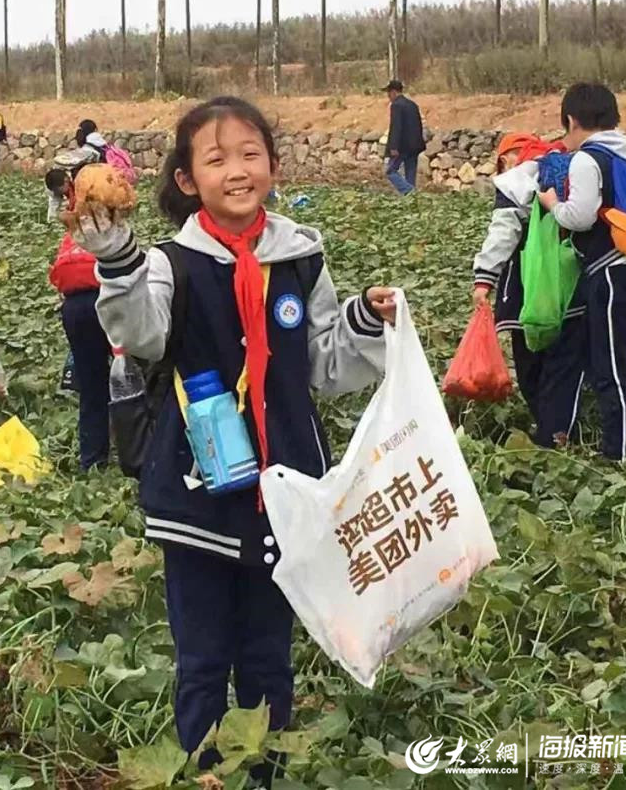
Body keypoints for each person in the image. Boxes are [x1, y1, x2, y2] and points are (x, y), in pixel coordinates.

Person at [78, 95, 397, 786]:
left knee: (266, 657)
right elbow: (142, 335)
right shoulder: (171, 263)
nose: (237, 170)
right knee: (201, 659)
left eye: (250, 154)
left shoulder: (301, 255)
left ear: (274, 167)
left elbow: (325, 363)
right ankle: (202, 772)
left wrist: (366, 323)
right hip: (196, 491)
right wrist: (118, 263)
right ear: (187, 180)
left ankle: (264, 773)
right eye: (216, 159)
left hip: (284, 491)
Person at [539, 83, 626, 461]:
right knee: (608, 352)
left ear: (572, 120)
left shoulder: (587, 159)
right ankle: (618, 439)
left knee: (609, 360)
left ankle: (622, 449)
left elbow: (580, 216)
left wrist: (552, 203)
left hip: (612, 271)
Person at [471, 133, 587, 447]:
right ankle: (557, 433)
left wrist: (484, 278)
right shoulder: (574, 169)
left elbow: (503, 232)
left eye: (501, 160)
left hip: (528, 293)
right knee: (563, 366)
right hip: (572, 287)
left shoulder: (517, 181)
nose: (500, 167)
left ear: (512, 154)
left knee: (530, 364)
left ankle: (548, 433)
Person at [47, 196, 111, 470]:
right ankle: (141, 450)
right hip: (110, 302)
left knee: (91, 385)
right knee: (133, 380)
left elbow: (56, 277)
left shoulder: (71, 235)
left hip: (74, 308)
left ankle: (92, 459)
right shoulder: (113, 227)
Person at [383, 79, 425, 195]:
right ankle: (411, 201)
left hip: (402, 146)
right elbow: (418, 125)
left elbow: (396, 126)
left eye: (388, 93)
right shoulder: (412, 105)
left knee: (390, 171)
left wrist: (393, 147)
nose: (388, 96)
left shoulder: (396, 105)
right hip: (415, 146)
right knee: (410, 175)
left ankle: (410, 192)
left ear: (393, 92)